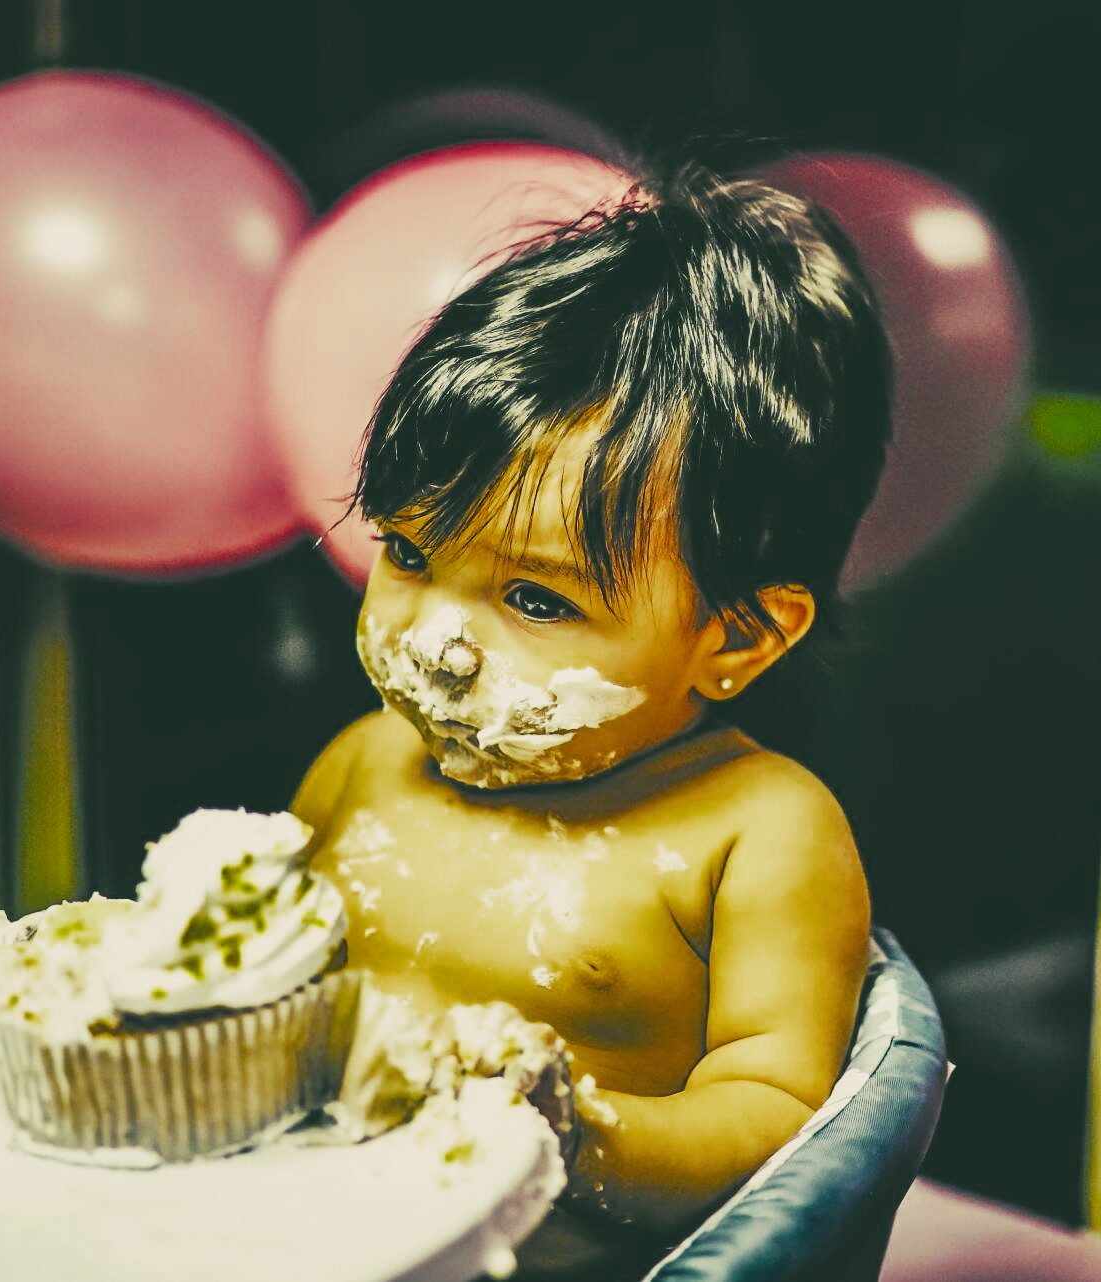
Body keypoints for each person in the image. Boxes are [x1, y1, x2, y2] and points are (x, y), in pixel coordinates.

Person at [288, 159, 893, 1275]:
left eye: (534, 598)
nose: (438, 643)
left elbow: (780, 1125)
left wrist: (571, 1125)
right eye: (410, 554)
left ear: (739, 638)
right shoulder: (363, 765)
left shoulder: (757, 834)